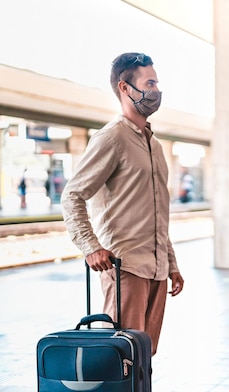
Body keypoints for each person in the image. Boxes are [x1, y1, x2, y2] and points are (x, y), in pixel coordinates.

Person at [61, 52, 184, 356]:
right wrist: (91, 246)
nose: (156, 91)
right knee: (121, 357)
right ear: (125, 88)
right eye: (149, 83)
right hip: (125, 267)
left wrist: (172, 264)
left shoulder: (152, 143)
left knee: (145, 355)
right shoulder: (112, 138)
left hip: (156, 268)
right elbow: (73, 195)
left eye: (157, 83)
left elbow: (157, 211)